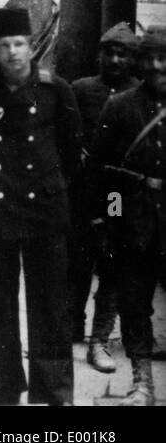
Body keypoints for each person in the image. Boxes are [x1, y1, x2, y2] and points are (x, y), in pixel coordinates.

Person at [0, 3, 78, 406]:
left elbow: (71, 151)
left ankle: (55, 391)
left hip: (44, 208)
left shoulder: (54, 90)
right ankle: (3, 388)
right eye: (5, 44)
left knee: (50, 303)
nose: (13, 52)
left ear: (31, 48)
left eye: (20, 43)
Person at [88, 26, 166, 405]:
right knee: (134, 302)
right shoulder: (119, 107)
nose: (155, 66)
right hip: (134, 223)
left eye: (163, 58)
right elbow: (104, 175)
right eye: (149, 57)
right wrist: (111, 220)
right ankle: (142, 384)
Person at [66, 22, 137, 373]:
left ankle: (100, 340)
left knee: (110, 257)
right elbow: (65, 134)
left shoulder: (138, 95)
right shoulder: (80, 90)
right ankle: (70, 327)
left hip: (115, 192)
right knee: (76, 258)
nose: (113, 58)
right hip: (81, 188)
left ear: (132, 59)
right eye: (108, 51)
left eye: (122, 53)